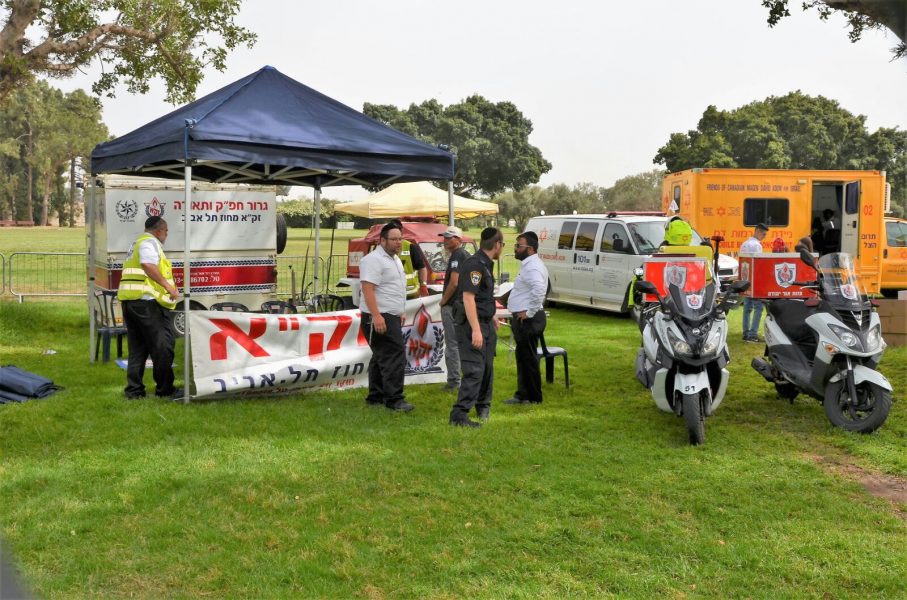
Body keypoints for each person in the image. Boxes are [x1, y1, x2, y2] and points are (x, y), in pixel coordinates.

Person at [117, 216, 180, 399]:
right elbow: (147, 264)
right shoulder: (149, 243)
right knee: (163, 345)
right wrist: (168, 287)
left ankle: (134, 391)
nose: (167, 234)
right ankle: (165, 389)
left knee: (138, 349)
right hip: (147, 303)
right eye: (166, 231)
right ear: (159, 230)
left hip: (131, 302)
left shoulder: (136, 243)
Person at [449, 227, 504, 427]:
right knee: (474, 370)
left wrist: (493, 316)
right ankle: (459, 415)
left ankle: (483, 407)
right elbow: (468, 298)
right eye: (502, 245)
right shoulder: (475, 265)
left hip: (485, 322)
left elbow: (483, 297)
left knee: (487, 368)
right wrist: (476, 329)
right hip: (473, 325)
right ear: (497, 245)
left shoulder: (486, 264)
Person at [358, 221, 413, 412]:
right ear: (382, 240)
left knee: (380, 356)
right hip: (379, 316)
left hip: (391, 314)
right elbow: (367, 288)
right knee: (394, 356)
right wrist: (377, 315)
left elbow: (393, 287)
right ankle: (394, 399)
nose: (399, 242)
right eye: (394, 239)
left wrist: (400, 311)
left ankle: (376, 396)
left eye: (400, 239)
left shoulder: (394, 259)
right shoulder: (373, 260)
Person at [504, 231, 549, 406]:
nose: (515, 249)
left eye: (518, 246)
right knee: (522, 357)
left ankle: (533, 397)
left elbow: (539, 290)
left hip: (529, 319)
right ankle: (522, 394)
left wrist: (529, 312)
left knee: (528, 359)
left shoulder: (533, 266)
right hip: (524, 317)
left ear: (529, 249)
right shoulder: (528, 264)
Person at [437, 225, 470, 391]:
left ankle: (453, 382)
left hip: (453, 306)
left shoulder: (458, 254)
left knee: (452, 345)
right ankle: (464, 379)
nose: (445, 240)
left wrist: (444, 300)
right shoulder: (464, 254)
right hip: (462, 305)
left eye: (449, 237)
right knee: (460, 343)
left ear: (458, 239)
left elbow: (454, 281)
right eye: (444, 237)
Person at [740, 222, 769, 343]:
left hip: (745, 280)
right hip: (755, 281)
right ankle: (752, 334)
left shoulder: (745, 243)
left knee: (747, 308)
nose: (764, 236)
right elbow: (759, 264)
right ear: (757, 230)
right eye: (763, 233)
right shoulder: (756, 245)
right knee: (758, 308)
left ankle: (746, 332)